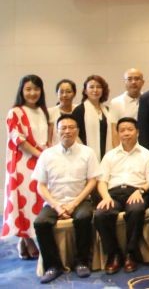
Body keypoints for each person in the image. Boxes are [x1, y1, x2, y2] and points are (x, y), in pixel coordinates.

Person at [33, 115, 100, 283]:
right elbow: (41, 186)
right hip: (54, 201)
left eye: (71, 127)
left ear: (77, 131)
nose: (67, 131)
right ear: (57, 131)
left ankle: (82, 262)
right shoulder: (47, 154)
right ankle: (52, 266)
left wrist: (74, 203)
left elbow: (92, 181)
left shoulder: (87, 152)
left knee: (83, 217)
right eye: (63, 128)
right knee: (40, 223)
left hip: (80, 200)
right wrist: (56, 206)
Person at [94, 117, 149, 274]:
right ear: (118, 133)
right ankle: (113, 254)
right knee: (101, 214)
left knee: (136, 209)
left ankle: (130, 254)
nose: (126, 133)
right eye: (122, 130)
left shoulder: (147, 155)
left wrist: (140, 191)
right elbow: (102, 181)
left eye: (130, 129)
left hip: (136, 191)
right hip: (112, 193)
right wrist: (106, 197)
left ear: (137, 132)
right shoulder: (110, 155)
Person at [3, 74, 50, 261]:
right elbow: (18, 139)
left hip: (42, 162)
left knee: (38, 201)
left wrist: (45, 157)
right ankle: (28, 240)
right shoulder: (15, 112)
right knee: (25, 202)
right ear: (21, 91)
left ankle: (26, 240)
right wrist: (39, 154)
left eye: (36, 89)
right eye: (28, 89)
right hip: (23, 164)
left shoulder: (43, 111)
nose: (32, 93)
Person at [71, 74, 112, 160]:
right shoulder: (79, 110)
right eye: (91, 87)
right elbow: (75, 135)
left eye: (99, 87)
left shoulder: (108, 111)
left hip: (106, 154)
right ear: (85, 91)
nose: (95, 90)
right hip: (85, 156)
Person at [108, 68, 144, 147]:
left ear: (143, 82)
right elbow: (114, 132)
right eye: (129, 79)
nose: (133, 82)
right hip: (125, 148)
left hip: (145, 148)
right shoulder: (116, 102)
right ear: (125, 82)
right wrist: (118, 152)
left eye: (137, 79)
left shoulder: (148, 99)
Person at [47, 79, 76, 145]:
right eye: (61, 92)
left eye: (68, 92)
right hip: (56, 149)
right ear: (57, 93)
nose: (64, 95)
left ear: (74, 94)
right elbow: (49, 140)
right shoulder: (50, 112)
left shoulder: (79, 110)